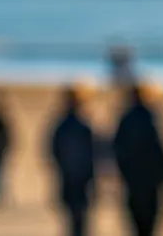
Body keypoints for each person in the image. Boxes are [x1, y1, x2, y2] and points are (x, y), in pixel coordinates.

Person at [112, 83, 163, 236]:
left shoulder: (125, 119)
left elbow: (117, 149)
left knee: (137, 226)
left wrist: (124, 172)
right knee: (149, 226)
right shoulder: (150, 117)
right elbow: (159, 147)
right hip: (150, 182)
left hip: (133, 182)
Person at [50, 85, 98, 236]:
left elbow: (54, 150)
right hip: (80, 178)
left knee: (74, 219)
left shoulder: (62, 125)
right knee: (79, 219)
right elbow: (92, 154)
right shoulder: (82, 125)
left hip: (69, 177)